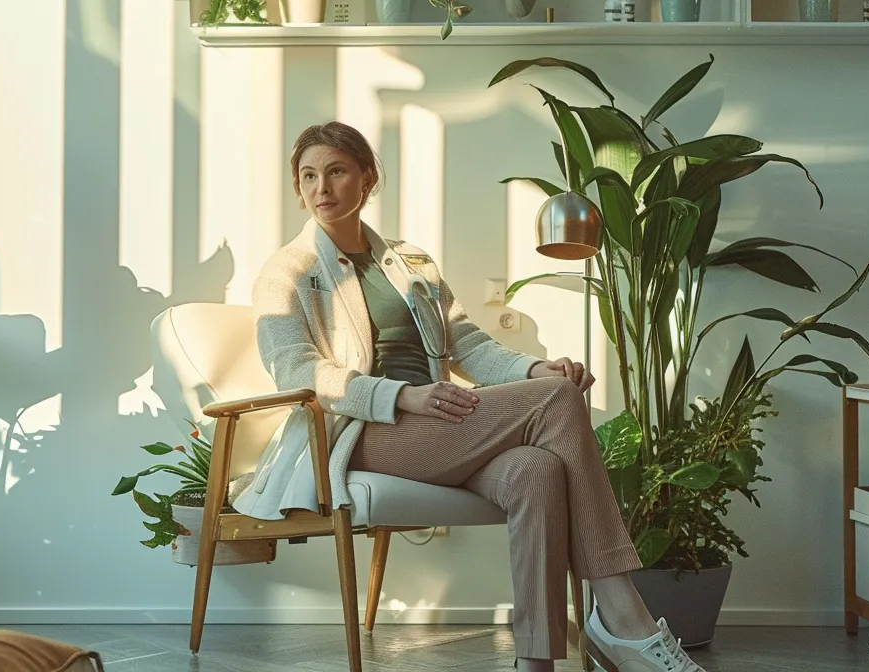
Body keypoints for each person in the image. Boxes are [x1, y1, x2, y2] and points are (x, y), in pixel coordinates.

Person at [236, 120, 707, 672]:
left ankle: (536, 660)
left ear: (366, 179)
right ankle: (623, 617)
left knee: (535, 469)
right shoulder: (287, 271)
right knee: (557, 399)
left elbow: (469, 345)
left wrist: (535, 365)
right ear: (298, 186)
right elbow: (295, 369)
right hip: (367, 433)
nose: (322, 188)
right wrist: (399, 397)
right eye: (309, 176)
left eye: (336, 171)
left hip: (443, 426)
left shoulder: (411, 263)